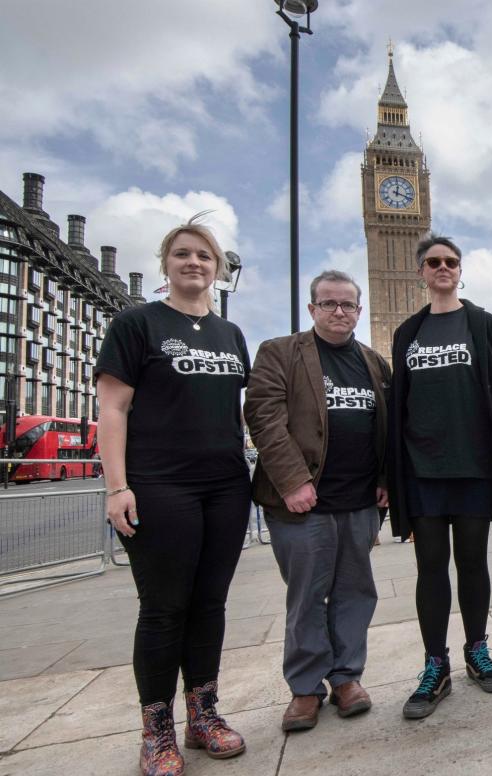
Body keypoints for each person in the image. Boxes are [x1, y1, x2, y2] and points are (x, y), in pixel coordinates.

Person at [97, 215, 251, 776]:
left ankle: (203, 714)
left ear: (217, 268)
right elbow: (112, 408)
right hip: (161, 485)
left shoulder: (230, 335)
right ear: (167, 263)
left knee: (210, 604)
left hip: (226, 486)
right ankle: (156, 731)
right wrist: (118, 487)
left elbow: (232, 411)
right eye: (184, 254)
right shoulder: (137, 324)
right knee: (164, 610)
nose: (194, 263)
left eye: (205, 256)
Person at [388, 235, 492, 719]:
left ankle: (478, 650)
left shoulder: (485, 324)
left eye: (451, 262)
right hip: (422, 471)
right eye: (433, 262)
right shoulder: (407, 332)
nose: (443, 268)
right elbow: (399, 405)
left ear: (460, 270)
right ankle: (436, 665)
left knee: (473, 563)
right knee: (430, 568)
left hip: (474, 468)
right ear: (421, 273)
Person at [245, 270, 391, 732]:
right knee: (306, 597)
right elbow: (264, 418)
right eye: (329, 304)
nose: (339, 312)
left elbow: (386, 428)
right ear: (312, 309)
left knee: (355, 593)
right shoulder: (279, 353)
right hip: (302, 504)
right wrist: (291, 481)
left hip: (360, 502)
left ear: (359, 311)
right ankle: (305, 688)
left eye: (347, 305)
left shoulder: (373, 363)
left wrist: (386, 479)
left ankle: (347, 678)